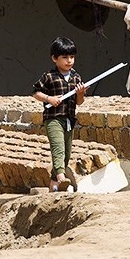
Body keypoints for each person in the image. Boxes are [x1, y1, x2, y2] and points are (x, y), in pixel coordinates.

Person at [32, 36, 87, 192]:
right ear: (54, 58)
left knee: (66, 153)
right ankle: (62, 177)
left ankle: (54, 185)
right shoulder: (49, 76)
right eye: (65, 57)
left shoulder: (76, 77)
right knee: (58, 148)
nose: (69, 61)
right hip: (53, 118)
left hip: (69, 119)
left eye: (71, 57)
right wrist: (48, 98)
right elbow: (35, 92)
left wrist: (80, 93)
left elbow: (79, 102)